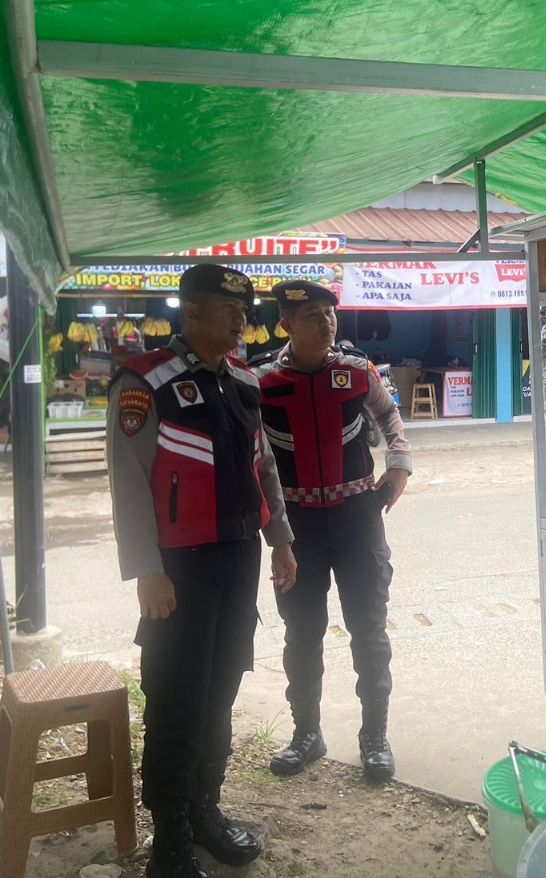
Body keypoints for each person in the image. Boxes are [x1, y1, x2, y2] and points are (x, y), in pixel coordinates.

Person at [106, 264, 297, 878]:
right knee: (176, 698)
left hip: (238, 558)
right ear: (191, 312)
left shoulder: (244, 380)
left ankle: (204, 810)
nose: (242, 320)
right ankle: (169, 838)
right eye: (228, 310)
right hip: (177, 569)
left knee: (221, 691)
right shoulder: (145, 381)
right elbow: (128, 482)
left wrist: (280, 540)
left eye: (244, 311)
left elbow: (262, 467)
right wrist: (146, 570)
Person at [252, 280, 413, 782]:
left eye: (329, 313)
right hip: (295, 525)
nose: (326, 322)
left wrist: (400, 464)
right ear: (286, 325)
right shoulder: (261, 381)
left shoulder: (356, 370)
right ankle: (307, 734)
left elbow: (389, 415)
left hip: (357, 518)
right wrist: (272, 530)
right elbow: (252, 455)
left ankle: (374, 737)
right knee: (302, 634)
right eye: (312, 316)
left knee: (369, 631)